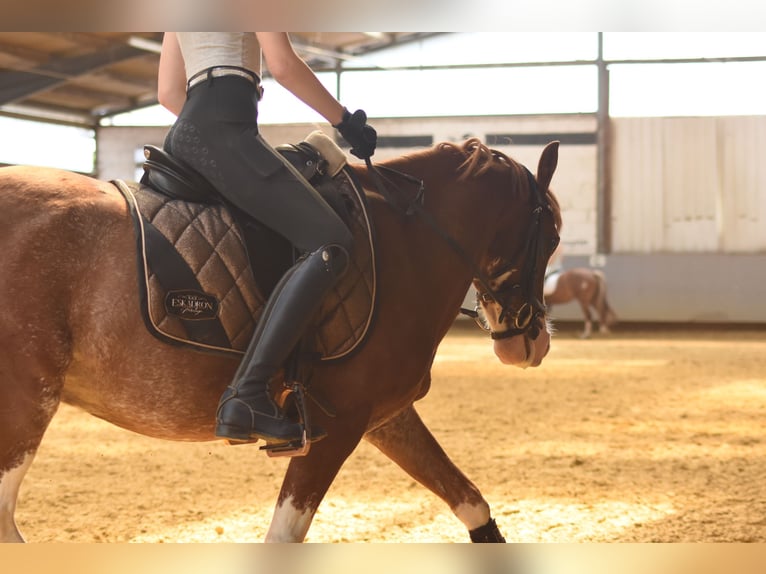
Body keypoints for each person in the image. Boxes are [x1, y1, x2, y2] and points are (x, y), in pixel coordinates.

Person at [157, 32, 377, 447]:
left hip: (188, 130)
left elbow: (168, 92)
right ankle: (250, 392)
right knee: (329, 243)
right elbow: (284, 65)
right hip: (226, 127)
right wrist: (345, 120)